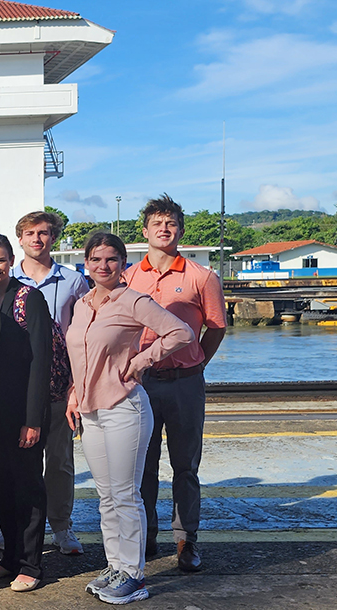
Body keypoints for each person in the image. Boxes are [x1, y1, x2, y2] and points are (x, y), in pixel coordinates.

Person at [65, 232, 193, 605]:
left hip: (125, 408)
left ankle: (134, 576)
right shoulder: (82, 304)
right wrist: (75, 392)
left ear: (123, 264)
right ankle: (115, 565)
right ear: (86, 264)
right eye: (95, 259)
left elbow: (180, 332)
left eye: (111, 259)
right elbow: (82, 354)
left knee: (126, 494)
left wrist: (140, 361)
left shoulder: (134, 300)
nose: (103, 266)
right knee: (105, 496)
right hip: (91, 411)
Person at [122, 195, 226, 572]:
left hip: (185, 383)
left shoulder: (202, 277)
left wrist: (195, 360)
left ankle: (186, 540)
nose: (164, 229)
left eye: (171, 224)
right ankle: (146, 538)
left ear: (180, 230)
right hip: (142, 383)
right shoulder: (129, 276)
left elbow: (215, 327)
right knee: (142, 465)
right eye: (157, 224)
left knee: (185, 466)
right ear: (145, 231)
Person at [4, 211, 90, 556]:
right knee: (18, 462)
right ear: (20, 239)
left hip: (58, 386)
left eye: (43, 233)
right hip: (18, 388)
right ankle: (16, 526)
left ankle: (61, 527)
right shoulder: (6, 282)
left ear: (53, 238)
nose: (36, 239)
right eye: (29, 233)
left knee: (59, 462)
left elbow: (83, 336)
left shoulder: (72, 282)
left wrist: (75, 386)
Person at [0, 234, 52, 592]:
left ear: (11, 260)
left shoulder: (29, 298)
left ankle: (31, 564)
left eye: (0, 260)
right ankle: (10, 557)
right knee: (2, 487)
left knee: (28, 487)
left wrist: (32, 419)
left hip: (23, 410)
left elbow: (40, 362)